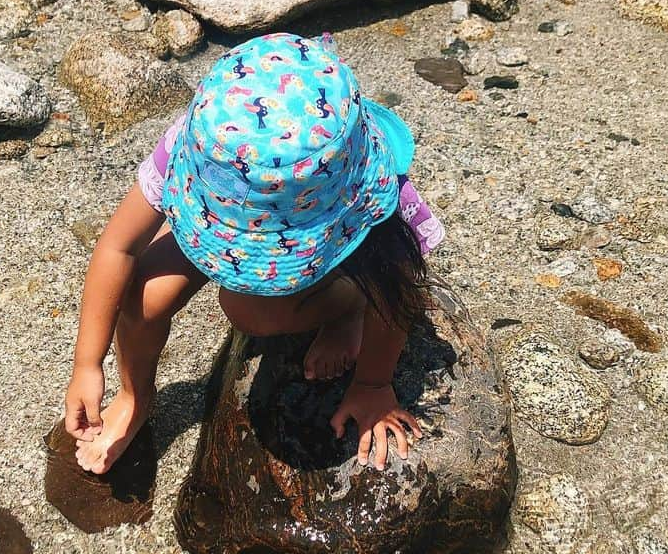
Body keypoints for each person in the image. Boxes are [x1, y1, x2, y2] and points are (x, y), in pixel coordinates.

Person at [64, 33, 447, 476]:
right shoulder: (215, 144)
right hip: (223, 217)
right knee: (141, 296)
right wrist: (87, 363)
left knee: (250, 311)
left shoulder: (369, 192)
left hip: (315, 238)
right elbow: (117, 246)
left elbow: (398, 287)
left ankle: (346, 309)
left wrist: (373, 384)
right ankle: (135, 396)